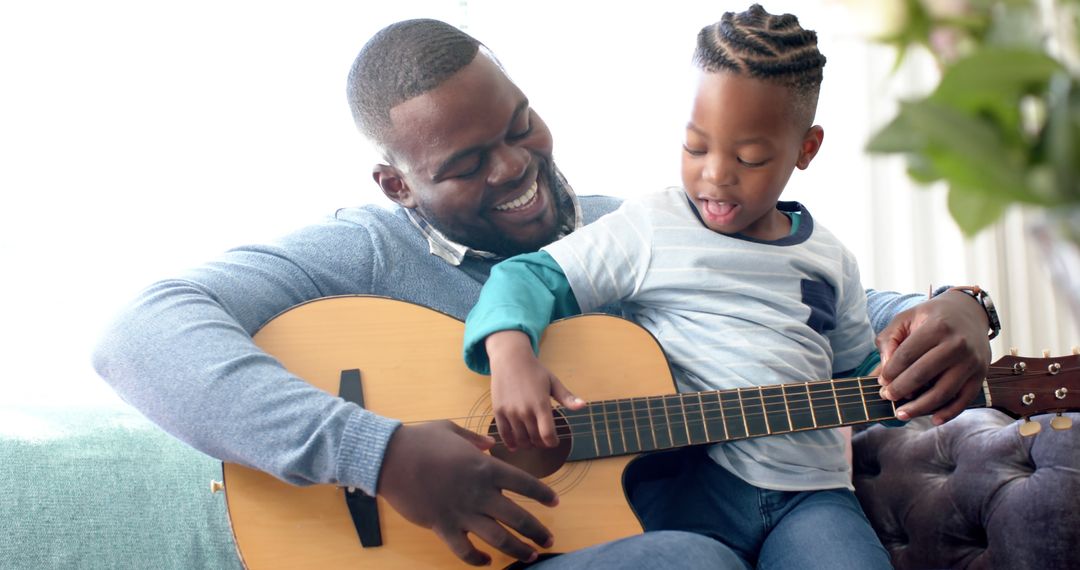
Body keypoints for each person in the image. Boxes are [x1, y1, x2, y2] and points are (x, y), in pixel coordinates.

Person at [92, 14, 995, 569]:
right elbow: (138, 334)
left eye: (520, 126)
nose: (518, 168)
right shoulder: (362, 252)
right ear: (397, 185)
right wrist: (383, 455)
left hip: (634, 525)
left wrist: (959, 305)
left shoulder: (626, 227)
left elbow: (812, 307)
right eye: (468, 163)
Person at [461, 6, 916, 568]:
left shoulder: (830, 258)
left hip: (812, 499)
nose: (715, 175)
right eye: (695, 147)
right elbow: (527, 276)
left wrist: (905, 370)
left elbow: (855, 374)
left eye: (749, 157)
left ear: (806, 148)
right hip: (681, 493)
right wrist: (510, 352)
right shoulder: (652, 226)